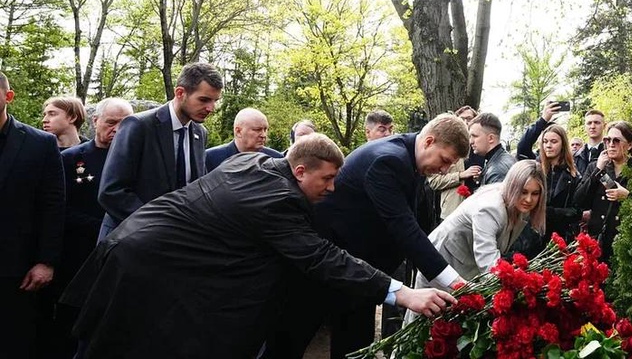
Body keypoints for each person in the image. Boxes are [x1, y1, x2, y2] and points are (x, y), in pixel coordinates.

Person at [60, 134, 455, 359]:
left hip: (142, 252)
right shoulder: (277, 200)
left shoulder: (254, 165)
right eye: (329, 179)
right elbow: (321, 255)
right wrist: (401, 293)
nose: (334, 189)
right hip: (144, 266)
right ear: (300, 171)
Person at [267, 113, 469, 359]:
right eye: (445, 160)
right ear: (428, 141)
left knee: (355, 347)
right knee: (292, 341)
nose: (445, 169)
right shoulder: (388, 160)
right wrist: (457, 283)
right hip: (326, 268)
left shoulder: (408, 157)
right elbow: (404, 227)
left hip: (360, 275)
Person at [37, 98, 134, 359]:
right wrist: (101, 227)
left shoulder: (135, 160)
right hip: (76, 257)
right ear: (95, 121)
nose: (117, 129)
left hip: (119, 259)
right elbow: (57, 208)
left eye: (125, 124)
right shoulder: (71, 159)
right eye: (111, 122)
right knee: (67, 326)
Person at [97, 62, 223, 240]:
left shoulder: (199, 133)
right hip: (128, 242)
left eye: (215, 101)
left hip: (174, 243)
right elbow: (112, 192)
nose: (211, 108)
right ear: (180, 93)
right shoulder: (138, 126)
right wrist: (158, 225)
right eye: (204, 100)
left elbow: (196, 189)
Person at [413, 160, 546, 301]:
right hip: (440, 267)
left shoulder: (517, 203)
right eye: (523, 192)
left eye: (535, 193)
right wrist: (515, 292)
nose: (528, 199)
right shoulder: (490, 208)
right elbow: (488, 263)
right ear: (513, 186)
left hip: (465, 268)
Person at [0, 72, 64, 359]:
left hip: (16, 268)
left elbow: (53, 205)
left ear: (8, 97)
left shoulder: (40, 144)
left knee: (14, 343)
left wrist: (46, 261)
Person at [516, 101, 583, 241]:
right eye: (545, 141)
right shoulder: (536, 166)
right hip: (532, 235)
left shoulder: (573, 174)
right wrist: (543, 120)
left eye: (553, 141)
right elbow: (522, 147)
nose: (548, 145)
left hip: (559, 237)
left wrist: (549, 212)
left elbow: (577, 211)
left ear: (563, 144)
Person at [574, 121, 632, 265]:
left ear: (630, 145)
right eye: (607, 140)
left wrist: (628, 196)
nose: (611, 144)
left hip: (627, 243)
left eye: (616, 140)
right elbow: (579, 201)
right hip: (598, 243)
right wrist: (597, 170)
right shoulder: (595, 167)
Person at [427, 106, 483, 220]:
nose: (466, 123)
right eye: (462, 119)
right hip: (452, 212)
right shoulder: (445, 147)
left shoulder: (482, 149)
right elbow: (434, 182)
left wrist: (478, 177)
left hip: (477, 211)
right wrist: (461, 175)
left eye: (469, 119)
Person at [205, 107, 283, 172]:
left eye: (265, 129)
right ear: (238, 131)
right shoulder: (211, 158)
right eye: (257, 130)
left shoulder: (276, 160)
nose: (263, 135)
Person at [468, 112, 515, 187]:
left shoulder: (497, 172)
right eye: (470, 137)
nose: (471, 141)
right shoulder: (504, 159)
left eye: (474, 136)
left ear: (491, 138)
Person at [573, 109, 606, 174]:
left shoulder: (610, 153)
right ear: (585, 127)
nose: (592, 126)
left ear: (604, 126)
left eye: (597, 123)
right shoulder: (575, 156)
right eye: (589, 123)